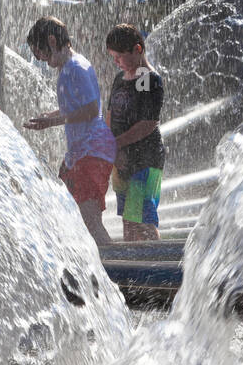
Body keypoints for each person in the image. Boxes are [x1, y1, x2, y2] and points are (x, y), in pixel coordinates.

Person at [24, 16, 115, 247]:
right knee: (70, 215)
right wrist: (49, 116)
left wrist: (52, 123)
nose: (43, 61)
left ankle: (119, 269)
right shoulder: (70, 67)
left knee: (90, 222)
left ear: (52, 41)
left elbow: (92, 110)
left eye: (42, 54)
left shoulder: (76, 68)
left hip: (91, 152)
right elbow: (75, 107)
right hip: (82, 153)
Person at [105, 24, 165, 242]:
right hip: (122, 159)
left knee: (142, 221)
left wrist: (116, 144)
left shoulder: (145, 78)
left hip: (144, 160)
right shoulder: (120, 79)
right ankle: (135, 273)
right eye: (113, 57)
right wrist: (111, 148)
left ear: (138, 49)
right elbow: (111, 115)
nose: (116, 62)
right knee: (129, 222)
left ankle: (158, 270)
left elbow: (146, 124)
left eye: (120, 56)